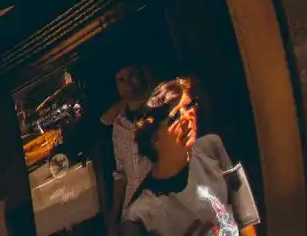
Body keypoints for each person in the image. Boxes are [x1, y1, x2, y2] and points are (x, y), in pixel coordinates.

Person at [124, 77, 259, 236]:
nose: (187, 118)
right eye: (175, 117)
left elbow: (245, 218)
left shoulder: (213, 147)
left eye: (189, 107)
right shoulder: (139, 216)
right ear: (154, 138)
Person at [107, 62, 155, 232]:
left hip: (160, 201)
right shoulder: (118, 125)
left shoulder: (159, 110)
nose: (127, 83)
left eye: (132, 76)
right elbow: (120, 173)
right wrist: (115, 216)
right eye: (121, 79)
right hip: (133, 212)